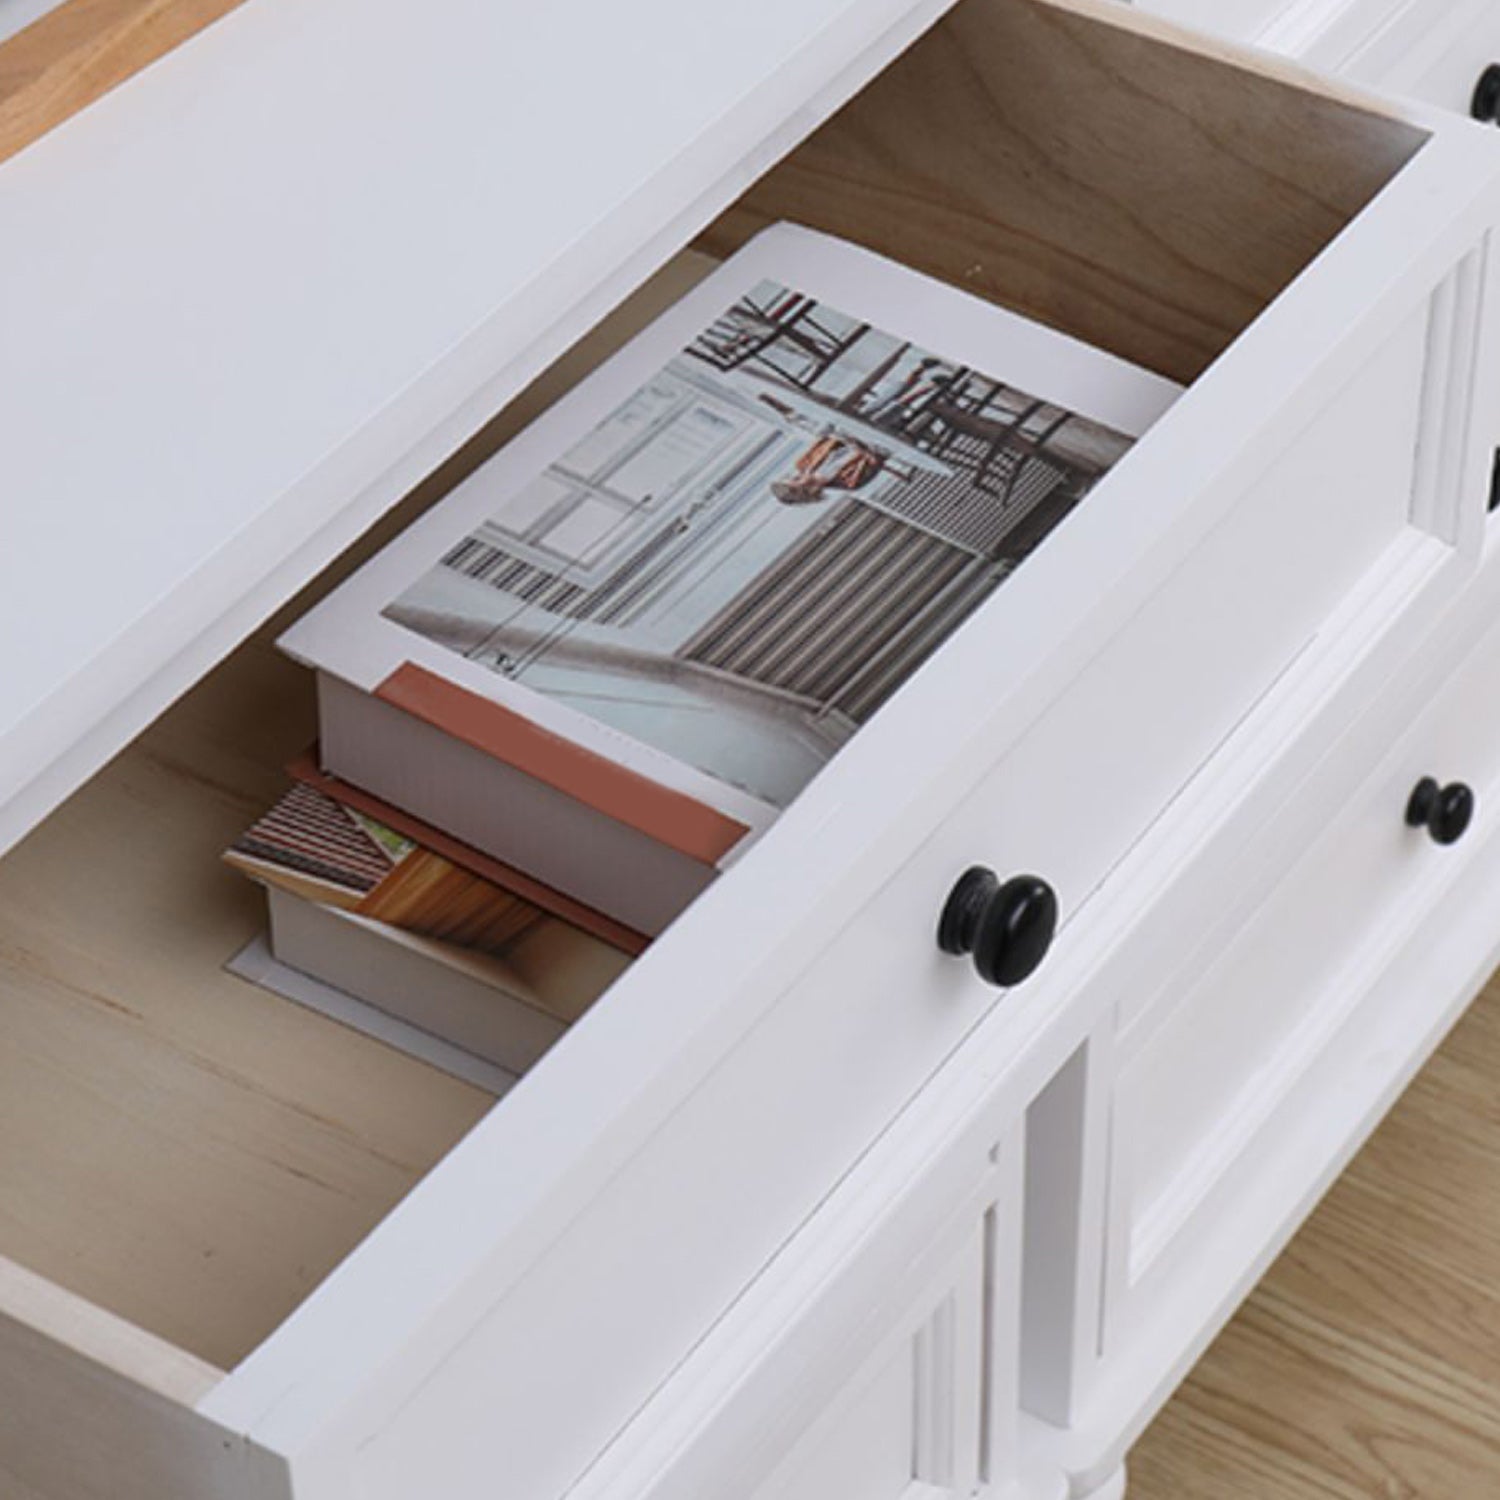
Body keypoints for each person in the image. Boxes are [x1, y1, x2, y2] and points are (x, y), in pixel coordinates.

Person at [771, 430, 888, 506]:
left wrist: (844, 437)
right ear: (809, 491)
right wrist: (859, 447)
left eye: (793, 477)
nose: (798, 475)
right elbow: (877, 459)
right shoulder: (849, 483)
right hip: (878, 438)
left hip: (851, 427)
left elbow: (826, 438)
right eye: (796, 479)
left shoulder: (803, 463)